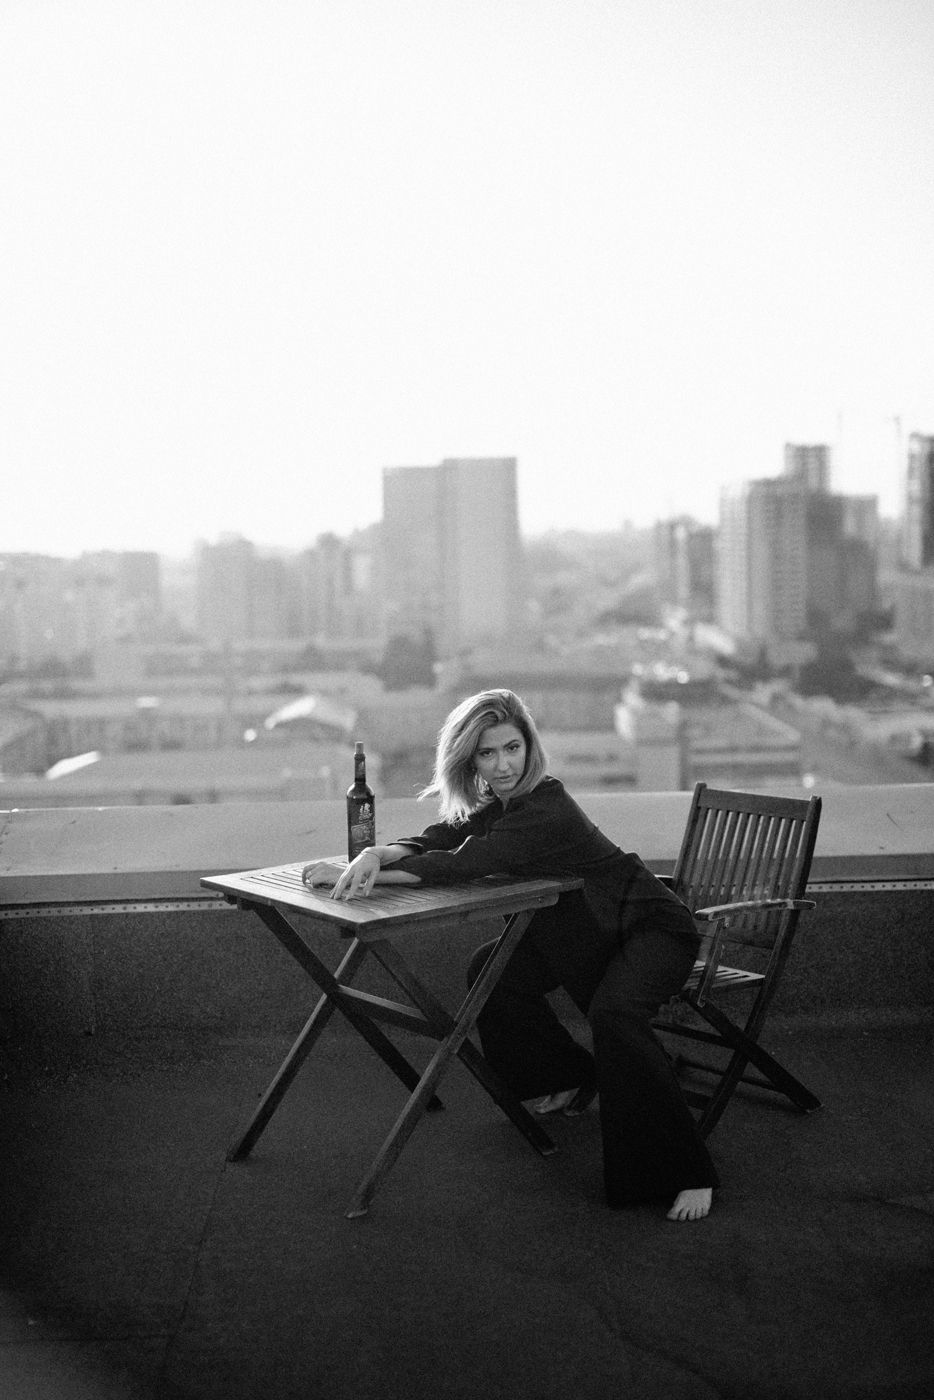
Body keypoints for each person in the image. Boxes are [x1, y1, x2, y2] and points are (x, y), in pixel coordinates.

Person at [312, 688, 718, 1222]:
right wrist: (375, 852)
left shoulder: (547, 807)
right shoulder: (500, 804)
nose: (502, 765)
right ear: (470, 760)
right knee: (493, 971)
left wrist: (359, 878)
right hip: (584, 932)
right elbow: (444, 836)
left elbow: (463, 864)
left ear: (530, 748)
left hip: (650, 929)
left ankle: (689, 1171)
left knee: (615, 1015)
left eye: (512, 748)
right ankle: (566, 1075)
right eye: (487, 753)